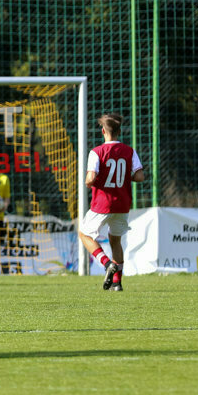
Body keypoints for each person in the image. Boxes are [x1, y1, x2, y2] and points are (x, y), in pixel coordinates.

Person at [80, 113, 144, 292]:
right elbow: (140, 176)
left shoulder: (97, 152)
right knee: (116, 241)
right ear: (119, 131)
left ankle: (106, 263)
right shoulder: (129, 151)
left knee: (84, 235)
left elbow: (90, 178)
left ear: (103, 131)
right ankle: (117, 283)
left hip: (102, 204)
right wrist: (123, 177)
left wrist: (89, 180)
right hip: (122, 204)